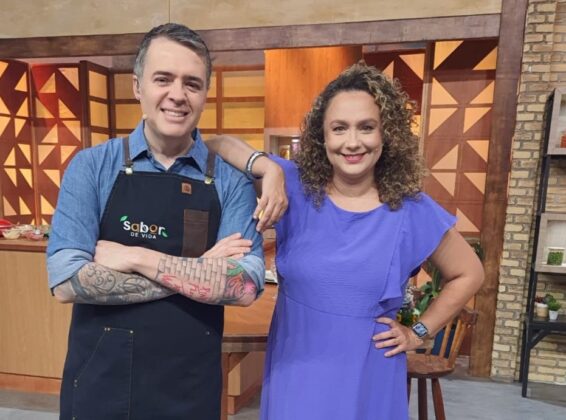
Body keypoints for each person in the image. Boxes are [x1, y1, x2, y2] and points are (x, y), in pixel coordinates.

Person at [188, 62, 485, 419]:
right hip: (295, 369)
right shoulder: (293, 185)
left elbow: (470, 273)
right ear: (322, 136)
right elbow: (215, 145)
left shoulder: (411, 209)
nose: (352, 142)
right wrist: (266, 167)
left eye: (367, 127)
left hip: (369, 375)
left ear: (386, 133)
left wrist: (418, 332)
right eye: (339, 128)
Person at [46, 23, 286, 420]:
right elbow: (67, 281)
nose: (177, 94)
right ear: (137, 86)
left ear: (204, 93)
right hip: (101, 382)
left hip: (190, 384)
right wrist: (201, 271)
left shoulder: (229, 179)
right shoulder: (92, 167)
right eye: (163, 79)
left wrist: (137, 257)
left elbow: (244, 285)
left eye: (192, 83)